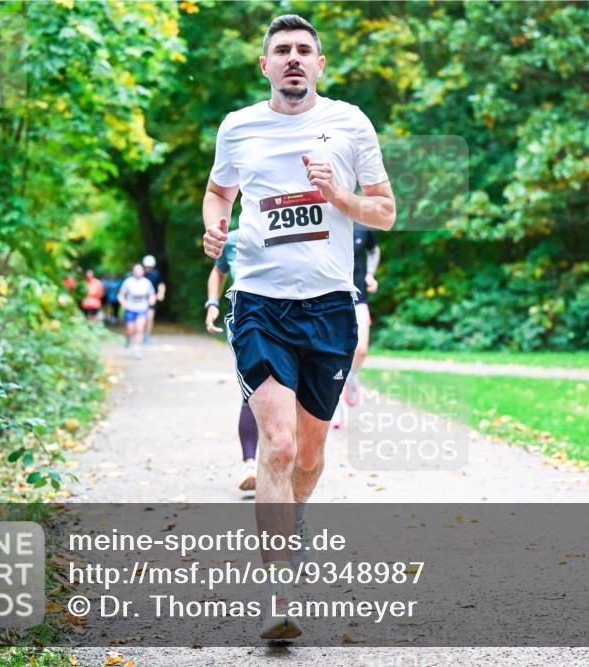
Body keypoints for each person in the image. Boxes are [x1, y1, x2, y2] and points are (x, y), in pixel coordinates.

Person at [201, 14, 395, 641]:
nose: (292, 59)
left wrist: (339, 196)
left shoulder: (350, 123)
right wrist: (215, 227)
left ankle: (294, 519)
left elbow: (386, 213)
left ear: (319, 65)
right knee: (277, 446)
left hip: (330, 308)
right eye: (281, 50)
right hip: (259, 302)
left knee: (310, 455)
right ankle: (277, 592)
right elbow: (217, 192)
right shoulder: (238, 127)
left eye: (303, 51)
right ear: (265, 66)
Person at [205, 225, 259, 492]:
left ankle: (282, 460)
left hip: (289, 317)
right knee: (252, 390)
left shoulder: (286, 233)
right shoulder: (233, 240)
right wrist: (212, 304)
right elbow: (219, 270)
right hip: (244, 318)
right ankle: (250, 464)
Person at [332, 222, 380, 428]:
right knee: (332, 355)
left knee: (361, 349)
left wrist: (370, 274)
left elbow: (374, 250)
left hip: (359, 298)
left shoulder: (362, 226)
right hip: (330, 300)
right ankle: (335, 404)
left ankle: (352, 376)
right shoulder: (325, 222)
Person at [118, 264, 156, 359]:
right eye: (136, 270)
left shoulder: (147, 283)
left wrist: (151, 300)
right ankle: (128, 337)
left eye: (140, 270)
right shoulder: (128, 282)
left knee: (139, 328)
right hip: (130, 309)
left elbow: (152, 295)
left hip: (142, 309)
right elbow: (121, 294)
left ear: (143, 272)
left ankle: (136, 349)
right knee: (131, 329)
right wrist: (123, 303)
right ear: (133, 272)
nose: (138, 272)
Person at [141, 255, 166, 343]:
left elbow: (161, 284)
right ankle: (140, 334)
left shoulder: (156, 274)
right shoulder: (140, 274)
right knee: (141, 318)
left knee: (150, 317)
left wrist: (161, 293)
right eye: (147, 266)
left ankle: (147, 335)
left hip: (151, 298)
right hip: (140, 299)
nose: (149, 268)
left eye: (150, 267)